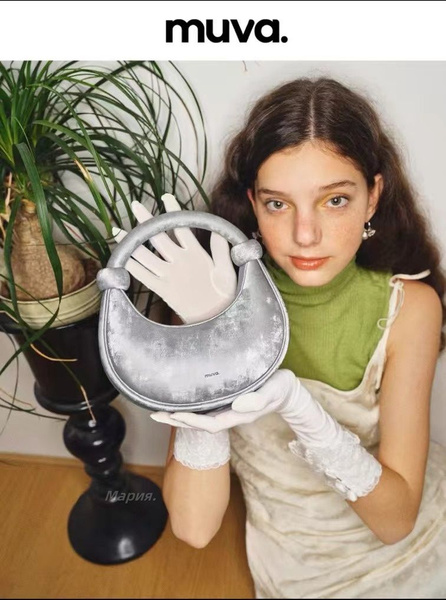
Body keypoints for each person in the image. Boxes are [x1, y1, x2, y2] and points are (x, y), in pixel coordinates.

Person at [115, 77, 446, 598]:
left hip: (419, 541)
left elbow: (396, 522)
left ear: (373, 197)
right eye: (277, 204)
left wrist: (300, 408)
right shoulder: (206, 296)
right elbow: (194, 529)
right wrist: (213, 338)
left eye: (335, 200)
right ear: (253, 202)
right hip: (296, 565)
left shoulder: (410, 308)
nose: (305, 234)